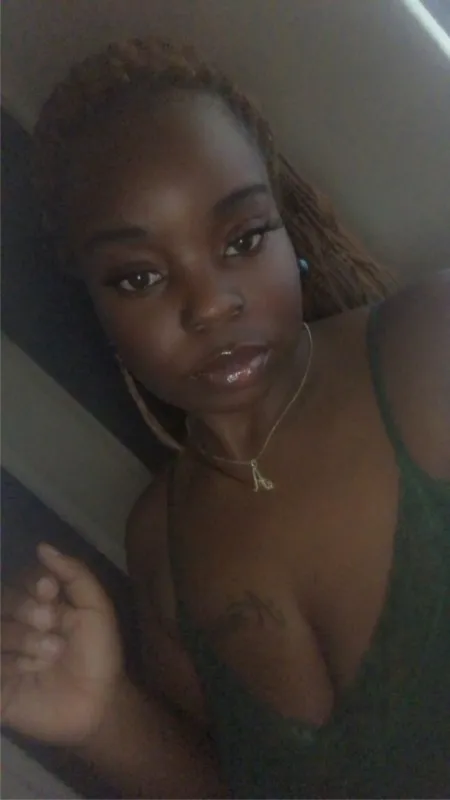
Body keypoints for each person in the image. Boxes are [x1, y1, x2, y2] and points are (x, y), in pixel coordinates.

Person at [1, 37, 449, 799]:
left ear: (286, 222)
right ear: (95, 305)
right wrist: (105, 721)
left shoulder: (429, 349)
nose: (210, 304)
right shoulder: (160, 543)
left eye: (242, 239)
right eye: (139, 276)